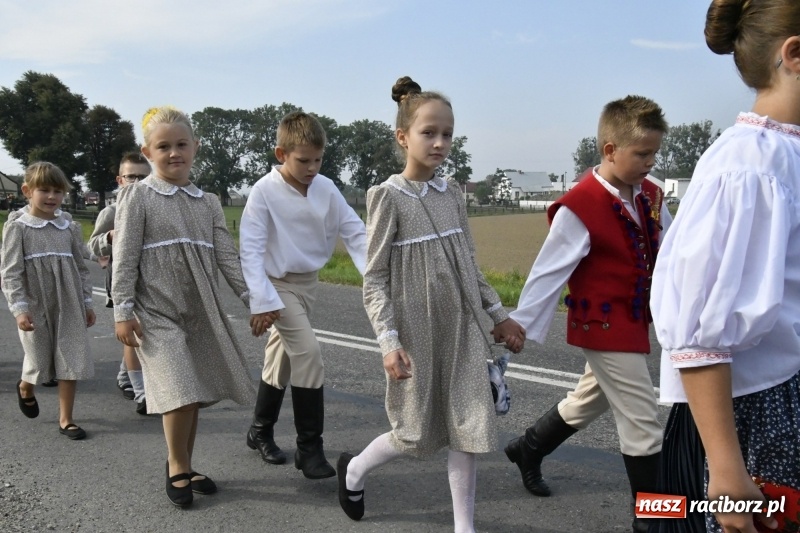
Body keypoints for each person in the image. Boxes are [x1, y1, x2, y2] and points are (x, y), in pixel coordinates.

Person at [336, 76, 525, 532]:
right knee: (414, 432)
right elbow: (375, 277)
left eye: (447, 134)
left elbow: (469, 265)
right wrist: (387, 340)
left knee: (469, 426)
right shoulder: (387, 197)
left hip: (460, 329)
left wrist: (498, 315)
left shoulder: (453, 194)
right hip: (414, 332)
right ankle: (355, 470)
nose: (440, 143)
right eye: (428, 133)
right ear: (403, 137)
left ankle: (465, 527)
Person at [651, 2, 800, 532]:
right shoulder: (750, 164)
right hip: (757, 413)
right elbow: (699, 329)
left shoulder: (784, 155)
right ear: (794, 54)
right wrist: (728, 473)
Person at [505, 96, 671, 533]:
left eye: (654, 153)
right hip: (601, 325)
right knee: (643, 420)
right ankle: (654, 522)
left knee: (587, 400)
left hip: (633, 320)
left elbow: (673, 253)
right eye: (641, 154)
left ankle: (528, 448)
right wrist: (519, 323)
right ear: (610, 149)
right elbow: (547, 271)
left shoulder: (651, 195)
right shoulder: (581, 205)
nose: (649, 163)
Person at [112, 106, 256, 508]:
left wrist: (252, 299)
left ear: (195, 147)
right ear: (147, 152)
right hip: (156, 311)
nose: (174, 153)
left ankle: (186, 464)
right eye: (163, 147)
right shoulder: (137, 197)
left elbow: (227, 256)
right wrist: (123, 311)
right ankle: (176, 464)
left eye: (181, 145)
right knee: (177, 388)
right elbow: (124, 257)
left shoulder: (207, 201)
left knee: (191, 393)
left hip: (199, 308)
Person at [239, 111, 367, 479]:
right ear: (281, 153)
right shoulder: (263, 192)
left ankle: (259, 430)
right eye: (303, 160)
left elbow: (355, 233)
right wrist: (261, 301)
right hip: (276, 284)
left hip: (308, 283)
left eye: (318, 159)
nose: (312, 167)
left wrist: (374, 276)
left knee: (281, 356)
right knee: (308, 353)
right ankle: (309, 449)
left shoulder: (326, 188)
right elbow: (250, 249)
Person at [1, 161, 95, 440]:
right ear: (27, 190)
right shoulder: (19, 228)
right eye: (45, 190)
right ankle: (26, 387)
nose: (52, 196)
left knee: (70, 358)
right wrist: (19, 309)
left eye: (58, 191)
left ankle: (66, 419)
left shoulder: (69, 228)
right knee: (39, 360)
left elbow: (80, 268)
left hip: (69, 304)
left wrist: (87, 303)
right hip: (35, 304)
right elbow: (11, 272)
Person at [88, 152, 151, 413]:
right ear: (120, 179)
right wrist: (110, 237)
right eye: (130, 176)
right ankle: (141, 393)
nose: (136, 182)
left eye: (142, 177)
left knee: (145, 330)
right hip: (122, 278)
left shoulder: (155, 205)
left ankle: (126, 377)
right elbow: (91, 246)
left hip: (151, 279)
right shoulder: (111, 211)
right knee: (133, 334)